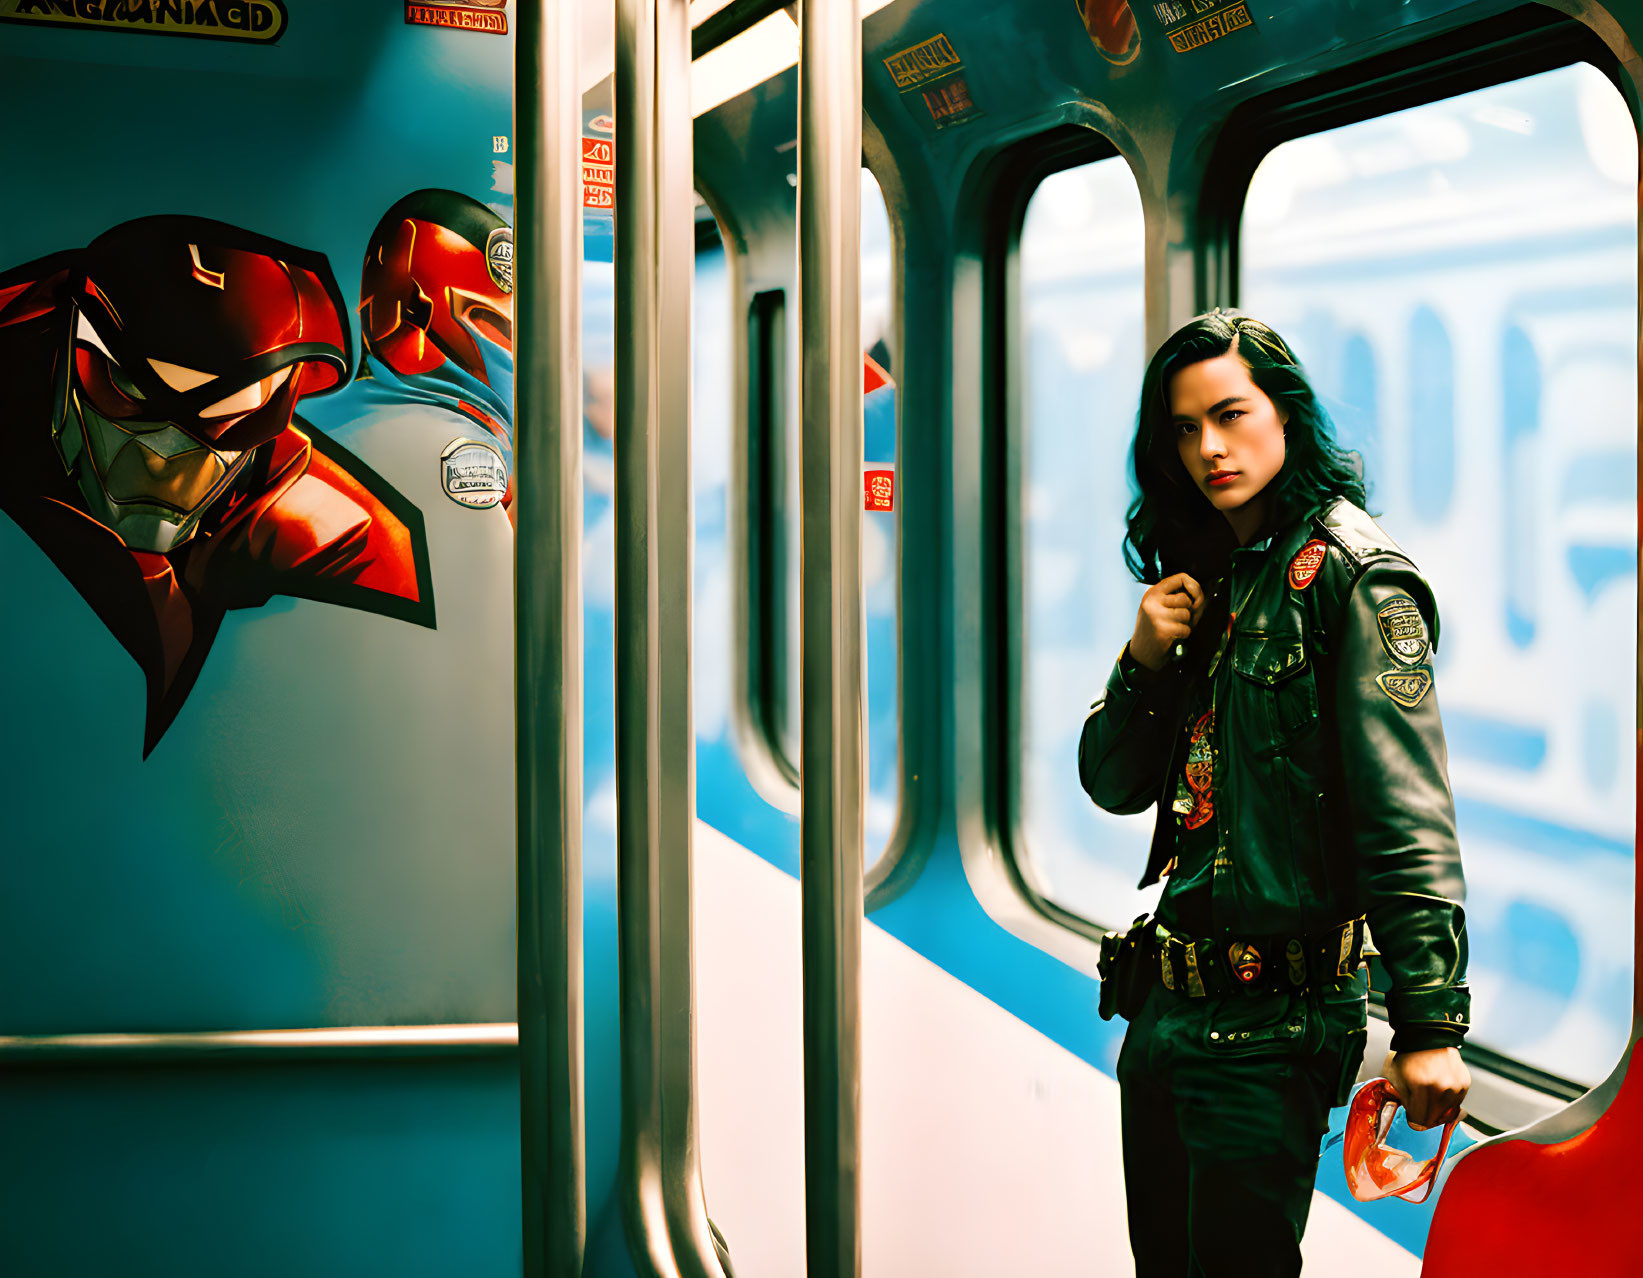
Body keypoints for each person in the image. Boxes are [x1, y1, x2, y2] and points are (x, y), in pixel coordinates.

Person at [1079, 310, 1471, 1277]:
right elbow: (1112, 783)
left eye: (1229, 415)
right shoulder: (1206, 573)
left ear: (1284, 417)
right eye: (1181, 428)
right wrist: (1143, 661)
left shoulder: (1354, 579)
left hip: (1269, 1029)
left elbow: (1405, 811)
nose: (1208, 447)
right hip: (1166, 1016)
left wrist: (1427, 1025)